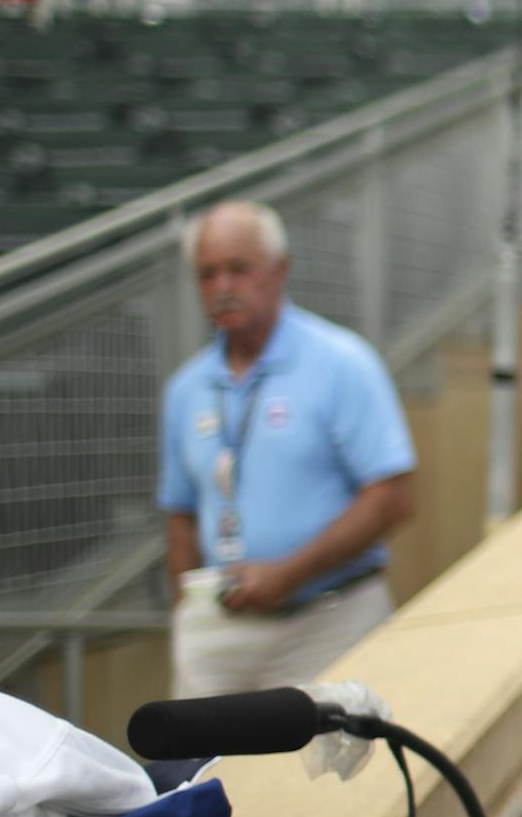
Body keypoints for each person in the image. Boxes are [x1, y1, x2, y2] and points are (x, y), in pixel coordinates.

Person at [157, 201, 415, 698]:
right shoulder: (187, 388)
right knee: (200, 770)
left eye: (238, 269)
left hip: (329, 618)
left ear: (280, 270)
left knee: (327, 773)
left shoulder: (342, 363)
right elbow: (180, 514)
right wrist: (189, 608)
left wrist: (290, 574)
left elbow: (393, 496)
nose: (223, 287)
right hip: (221, 626)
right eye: (207, 275)